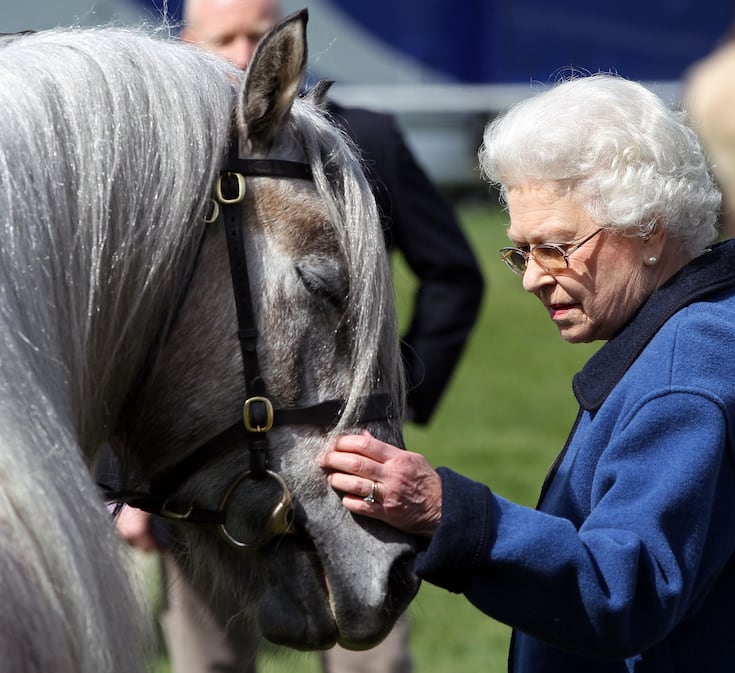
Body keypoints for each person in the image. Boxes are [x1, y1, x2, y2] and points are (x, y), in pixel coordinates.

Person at [317, 73, 735, 672]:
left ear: (648, 229)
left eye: (557, 247)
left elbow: (621, 592)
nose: (532, 278)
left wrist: (445, 511)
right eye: (522, 251)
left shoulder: (689, 379)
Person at [115, 2, 484, 673]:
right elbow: (130, 330)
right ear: (187, 46)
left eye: (258, 34)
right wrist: (126, 487)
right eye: (222, 38)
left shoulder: (364, 138)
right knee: (210, 661)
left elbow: (456, 274)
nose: (242, 52)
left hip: (340, 443)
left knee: (372, 652)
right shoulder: (162, 174)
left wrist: (387, 386)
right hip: (202, 477)